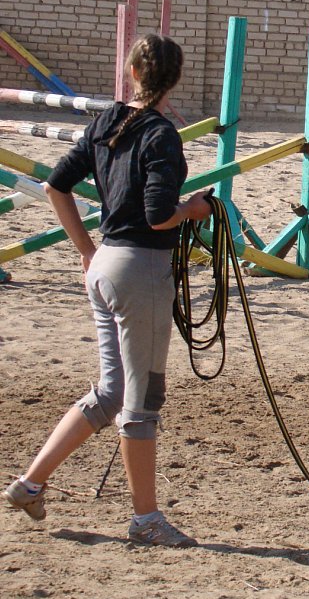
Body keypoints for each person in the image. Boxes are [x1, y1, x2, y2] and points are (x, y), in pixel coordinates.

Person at [3, 34, 212, 546]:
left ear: (132, 73)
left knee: (110, 392)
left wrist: (84, 250)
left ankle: (30, 483)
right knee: (141, 400)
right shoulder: (161, 135)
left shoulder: (104, 122)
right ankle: (145, 520)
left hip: (105, 266)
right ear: (175, 78)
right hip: (140, 271)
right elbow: (159, 214)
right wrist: (195, 210)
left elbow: (57, 185)